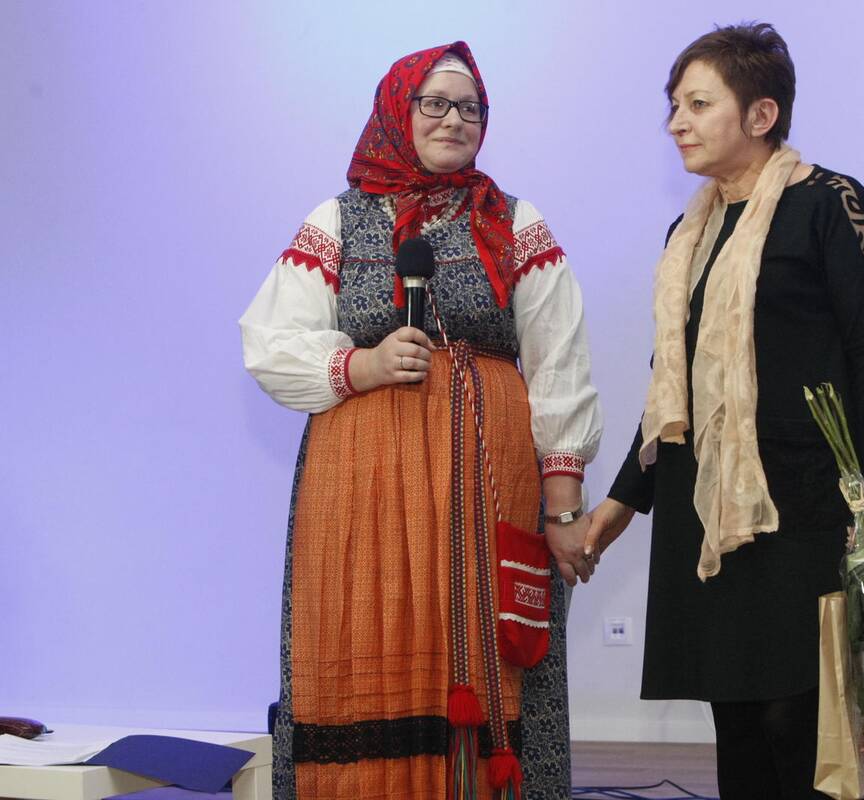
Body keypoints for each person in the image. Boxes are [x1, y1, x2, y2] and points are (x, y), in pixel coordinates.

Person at [240, 41, 602, 800]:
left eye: (470, 108)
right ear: (396, 112)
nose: (454, 120)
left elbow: (558, 361)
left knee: (491, 650)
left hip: (490, 478)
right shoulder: (337, 220)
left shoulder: (515, 222)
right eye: (434, 103)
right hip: (365, 484)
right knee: (367, 632)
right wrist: (361, 366)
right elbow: (270, 343)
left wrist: (564, 505)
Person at [584, 23, 864, 799]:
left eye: (697, 104)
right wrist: (619, 505)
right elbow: (671, 392)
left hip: (801, 498)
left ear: (760, 115)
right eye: (672, 106)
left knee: (796, 715)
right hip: (703, 502)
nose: (676, 123)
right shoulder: (688, 233)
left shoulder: (835, 207)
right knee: (735, 717)